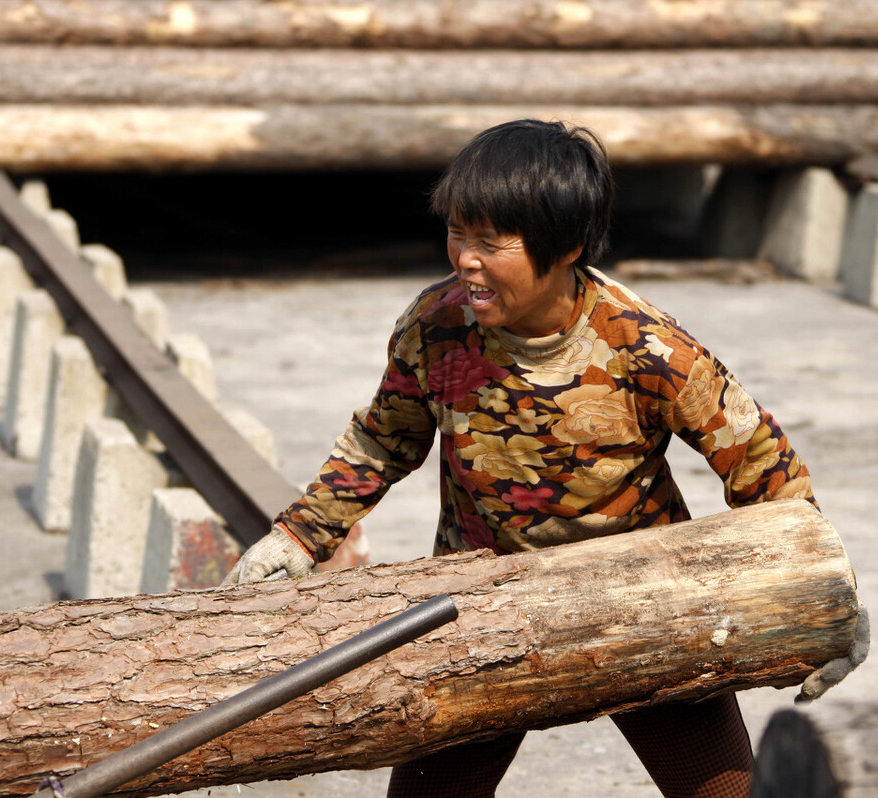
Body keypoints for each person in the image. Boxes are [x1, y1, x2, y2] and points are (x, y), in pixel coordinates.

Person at [222, 119, 844, 798]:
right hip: (482, 610)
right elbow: (382, 439)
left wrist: (823, 601)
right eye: (459, 232)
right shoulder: (436, 328)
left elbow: (761, 464)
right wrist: (298, 535)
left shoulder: (647, 349)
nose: (466, 259)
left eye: (493, 242)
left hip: (643, 608)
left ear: (567, 245)